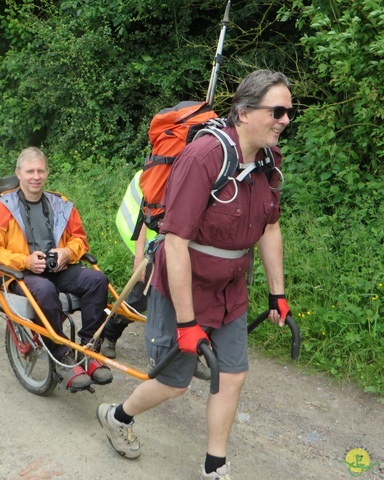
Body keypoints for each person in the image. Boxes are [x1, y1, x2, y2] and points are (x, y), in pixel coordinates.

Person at [96, 70, 294, 479]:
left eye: (289, 112)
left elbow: (270, 227)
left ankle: (214, 465)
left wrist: (278, 293)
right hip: (183, 287)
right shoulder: (203, 157)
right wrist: (186, 322)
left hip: (230, 289)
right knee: (174, 382)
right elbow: (176, 242)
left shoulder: (270, 161)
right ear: (244, 113)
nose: (285, 120)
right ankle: (118, 415)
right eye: (277, 111)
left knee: (233, 374)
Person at [0, 146, 113, 391]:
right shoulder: (3, 208)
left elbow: (80, 240)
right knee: (44, 290)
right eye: (30, 171)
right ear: (18, 173)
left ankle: (90, 350)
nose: (36, 176)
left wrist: (66, 253)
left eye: (40, 170)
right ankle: (62, 354)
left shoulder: (60, 203)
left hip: (58, 269)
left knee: (97, 280)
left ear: (47, 173)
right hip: (22, 275)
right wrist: (26, 261)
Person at [105, 171, 211, 381]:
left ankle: (189, 357)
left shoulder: (203, 171)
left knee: (186, 302)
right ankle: (109, 334)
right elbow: (145, 218)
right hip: (155, 249)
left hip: (182, 249)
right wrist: (139, 257)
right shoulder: (165, 172)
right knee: (137, 299)